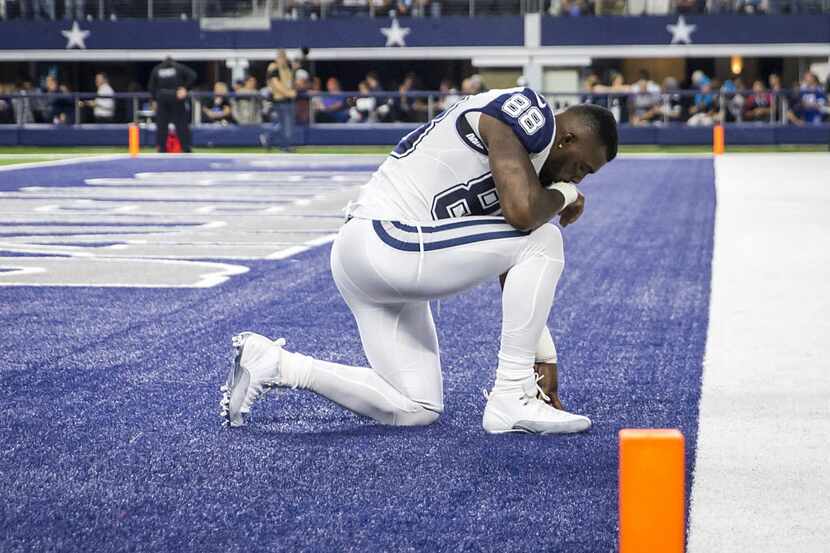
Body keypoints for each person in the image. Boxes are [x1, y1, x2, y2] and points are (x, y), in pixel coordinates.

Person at [220, 87, 618, 435]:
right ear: (566, 138)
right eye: (583, 168)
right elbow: (522, 215)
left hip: (369, 257)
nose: (579, 178)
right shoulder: (530, 112)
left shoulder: (524, 163)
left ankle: (277, 365)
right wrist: (564, 194)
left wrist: (541, 356)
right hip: (387, 240)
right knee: (546, 237)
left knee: (417, 406)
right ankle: (511, 394)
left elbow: (513, 262)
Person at [148, 56, 197, 153]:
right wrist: (185, 88)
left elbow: (151, 87)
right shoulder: (178, 67)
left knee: (162, 125)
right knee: (181, 124)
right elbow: (193, 75)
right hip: (175, 96)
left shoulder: (157, 69)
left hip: (163, 97)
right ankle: (186, 147)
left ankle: (161, 148)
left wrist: (154, 99)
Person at [261, 49, 297, 151]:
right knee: (283, 125)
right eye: (280, 57)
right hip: (279, 101)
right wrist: (289, 93)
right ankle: (284, 146)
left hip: (289, 100)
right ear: (277, 58)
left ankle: (268, 138)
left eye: (284, 57)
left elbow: (291, 81)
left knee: (285, 125)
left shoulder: (288, 68)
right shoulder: (274, 69)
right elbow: (276, 85)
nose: (282, 59)